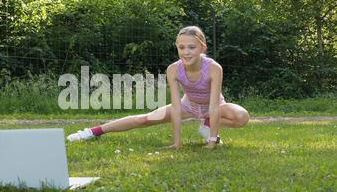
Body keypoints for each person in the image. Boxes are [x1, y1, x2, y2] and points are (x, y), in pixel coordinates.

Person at [67, 26, 249, 149]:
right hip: (188, 105)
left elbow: (215, 106)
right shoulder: (173, 69)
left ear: (203, 48)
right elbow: (177, 107)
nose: (186, 52)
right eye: (181, 47)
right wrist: (177, 143)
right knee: (143, 119)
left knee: (241, 116)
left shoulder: (214, 68)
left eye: (192, 47)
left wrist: (211, 140)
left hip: (214, 107)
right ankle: (93, 132)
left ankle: (206, 123)